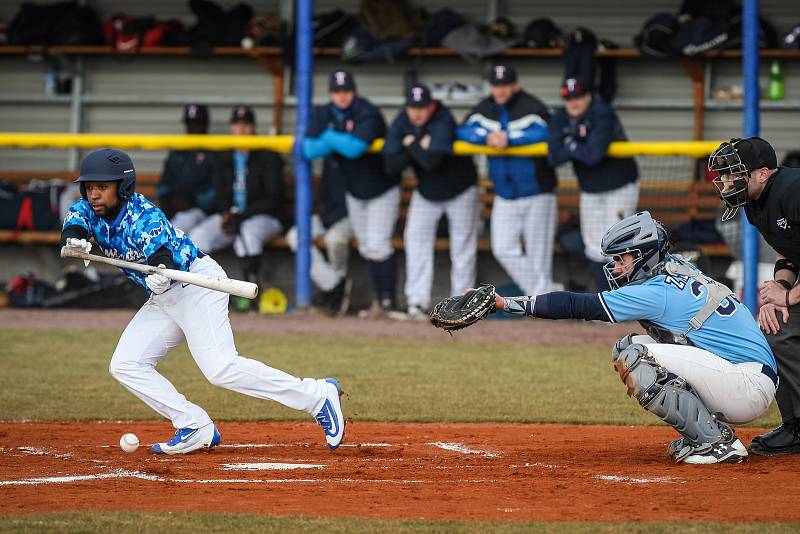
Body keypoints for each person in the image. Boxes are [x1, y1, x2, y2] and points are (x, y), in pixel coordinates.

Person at [60, 148, 345, 454]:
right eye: (90, 187)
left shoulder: (143, 215)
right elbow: (75, 220)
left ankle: (317, 395)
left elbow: (161, 254)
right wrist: (74, 238)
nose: (94, 194)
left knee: (220, 368)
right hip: (164, 296)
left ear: (123, 186)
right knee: (126, 364)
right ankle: (193, 424)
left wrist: (160, 271)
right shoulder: (89, 209)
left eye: (102, 187)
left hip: (195, 284)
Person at [472, 211, 777, 464]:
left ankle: (716, 444)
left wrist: (504, 303)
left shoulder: (655, 291)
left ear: (644, 256)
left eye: (622, 259)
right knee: (633, 346)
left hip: (745, 386)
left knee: (634, 355)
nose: (617, 268)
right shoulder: (678, 266)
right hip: (744, 375)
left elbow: (579, 305)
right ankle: (705, 434)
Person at [708, 136, 800, 455]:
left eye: (732, 174)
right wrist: (781, 290)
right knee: (775, 330)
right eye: (722, 176)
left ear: (762, 173)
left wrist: (789, 298)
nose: (724, 182)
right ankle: (797, 426)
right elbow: (787, 252)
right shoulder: (754, 203)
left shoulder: (792, 190)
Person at [302, 70, 401, 317]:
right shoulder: (324, 112)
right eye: (337, 92)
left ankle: (388, 301)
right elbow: (306, 149)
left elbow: (355, 148)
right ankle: (380, 304)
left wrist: (327, 135)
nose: (342, 96)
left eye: (346, 91)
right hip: (355, 191)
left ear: (353, 91)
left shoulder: (367, 111)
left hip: (381, 188)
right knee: (368, 246)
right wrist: (338, 139)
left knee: (377, 245)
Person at [457, 64, 557, 296]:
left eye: (504, 85)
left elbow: (549, 131)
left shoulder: (533, 106)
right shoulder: (484, 107)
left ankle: (541, 305)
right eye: (496, 85)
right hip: (504, 192)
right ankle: (544, 295)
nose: (500, 90)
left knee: (539, 254)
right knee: (502, 248)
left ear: (516, 85)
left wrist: (510, 138)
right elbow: (462, 130)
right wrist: (487, 137)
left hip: (538, 190)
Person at [383, 83, 479, 319]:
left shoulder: (443, 118)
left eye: (422, 107)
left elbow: (431, 162)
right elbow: (390, 164)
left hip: (460, 189)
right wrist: (419, 147)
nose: (417, 113)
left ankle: (463, 305)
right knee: (415, 240)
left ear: (432, 105)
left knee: (462, 246)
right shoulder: (402, 120)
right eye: (412, 107)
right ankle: (416, 302)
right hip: (426, 191)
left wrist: (410, 144)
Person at [547, 78, 639, 290]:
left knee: (619, 244)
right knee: (593, 245)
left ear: (588, 96)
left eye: (578, 97)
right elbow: (553, 157)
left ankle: (627, 299)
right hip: (590, 189)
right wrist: (576, 147)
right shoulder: (561, 116)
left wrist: (569, 145)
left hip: (619, 184)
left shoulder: (601, 112)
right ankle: (604, 298)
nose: (574, 103)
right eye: (569, 98)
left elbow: (593, 156)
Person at [189, 106, 286, 309]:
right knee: (198, 237)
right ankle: (202, 294)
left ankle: (251, 293)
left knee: (248, 234)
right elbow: (220, 193)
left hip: (264, 218)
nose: (241, 129)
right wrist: (227, 213)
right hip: (232, 218)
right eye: (237, 124)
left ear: (253, 127)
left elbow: (274, 199)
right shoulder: (224, 156)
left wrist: (242, 216)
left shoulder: (267, 156)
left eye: (246, 124)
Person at [157, 104, 216, 233]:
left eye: (197, 124)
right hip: (174, 211)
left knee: (180, 226)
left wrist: (193, 200)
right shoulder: (178, 151)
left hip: (202, 212)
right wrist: (168, 199)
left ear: (205, 124)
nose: (192, 128)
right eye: (189, 124)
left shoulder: (214, 151)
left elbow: (217, 194)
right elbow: (164, 185)